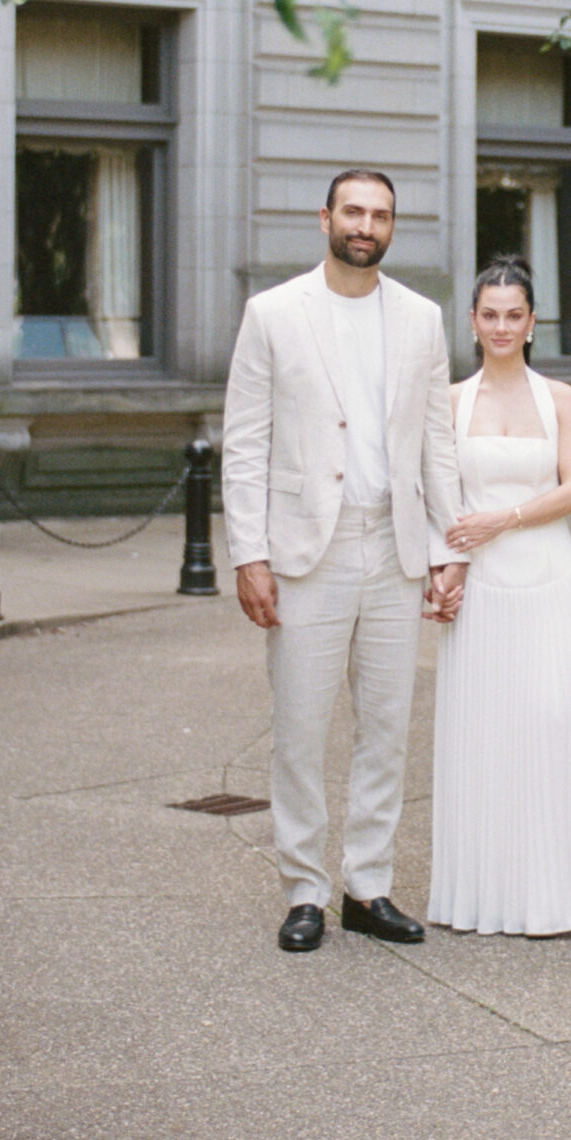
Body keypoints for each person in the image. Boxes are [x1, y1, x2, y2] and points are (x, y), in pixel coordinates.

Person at [222, 169, 468, 953]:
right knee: (299, 728)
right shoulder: (273, 314)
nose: (367, 225)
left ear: (394, 228)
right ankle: (304, 890)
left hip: (391, 545)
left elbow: (436, 443)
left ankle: (368, 886)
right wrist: (249, 553)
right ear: (325, 216)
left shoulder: (423, 319)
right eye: (354, 211)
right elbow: (245, 443)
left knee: (386, 729)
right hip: (306, 551)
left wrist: (444, 548)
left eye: (382, 215)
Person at [428, 256, 571, 937]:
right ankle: (483, 894)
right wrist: (445, 569)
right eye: (490, 314)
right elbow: (441, 501)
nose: (502, 326)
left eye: (514, 315)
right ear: (473, 323)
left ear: (533, 323)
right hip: (483, 592)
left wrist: (501, 519)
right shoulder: (450, 401)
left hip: (551, 582)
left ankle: (555, 896)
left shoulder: (560, 398)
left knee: (550, 723)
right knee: (485, 736)